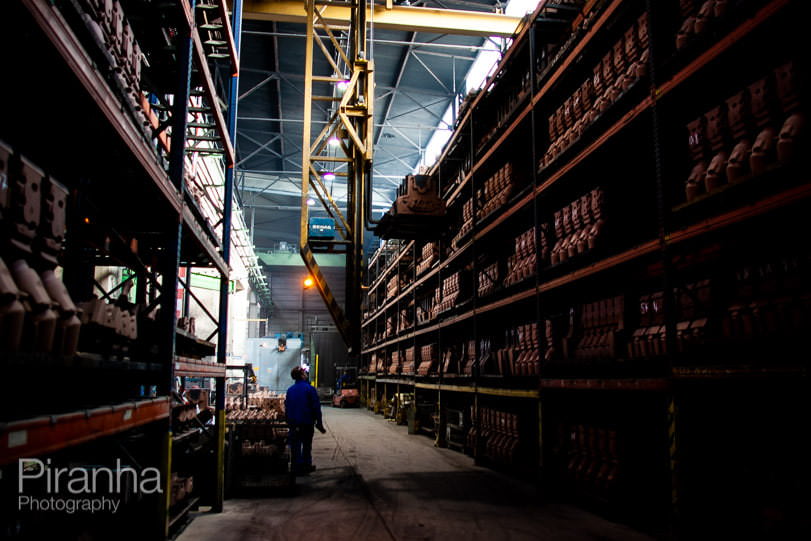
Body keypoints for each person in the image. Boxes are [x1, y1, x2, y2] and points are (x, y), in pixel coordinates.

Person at [284, 366, 325, 475]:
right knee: (306, 445)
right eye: (304, 373)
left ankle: (295, 467)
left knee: (295, 446)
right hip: (307, 423)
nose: (306, 374)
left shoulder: (290, 390)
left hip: (294, 423)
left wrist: (288, 421)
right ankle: (306, 466)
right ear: (302, 375)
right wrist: (319, 422)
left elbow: (287, 407)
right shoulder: (310, 389)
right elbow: (316, 407)